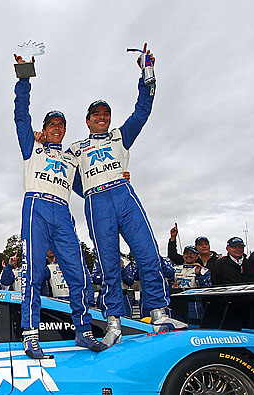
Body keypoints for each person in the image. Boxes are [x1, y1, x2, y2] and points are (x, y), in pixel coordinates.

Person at [67, 43, 185, 344]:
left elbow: (142, 110)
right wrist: (87, 190)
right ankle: (114, 321)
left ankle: (159, 312)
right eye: (96, 115)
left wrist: (147, 72)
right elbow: (60, 175)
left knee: (147, 253)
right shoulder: (77, 148)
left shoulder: (121, 135)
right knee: (109, 264)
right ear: (88, 120)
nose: (102, 118)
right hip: (97, 202)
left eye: (106, 113)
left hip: (123, 195)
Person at [13, 54, 101, 358]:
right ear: (44, 128)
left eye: (61, 125)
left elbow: (89, 186)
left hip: (62, 211)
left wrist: (118, 176)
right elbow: (21, 116)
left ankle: (84, 331)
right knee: (34, 273)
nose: (57, 128)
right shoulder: (32, 146)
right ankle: (30, 335)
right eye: (52, 124)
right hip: (36, 206)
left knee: (78, 274)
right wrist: (24, 78)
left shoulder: (71, 158)